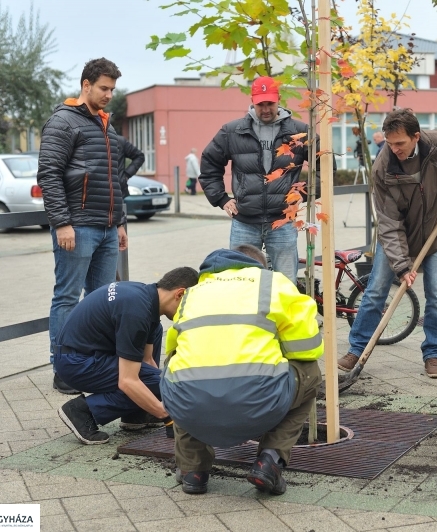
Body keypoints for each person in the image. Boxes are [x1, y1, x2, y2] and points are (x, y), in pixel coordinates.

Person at [161, 245, 323, 495]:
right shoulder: (272, 283)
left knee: (178, 371)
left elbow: (173, 349)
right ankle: (270, 460)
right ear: (259, 266)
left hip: (191, 405)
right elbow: (307, 349)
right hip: (258, 401)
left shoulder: (192, 293)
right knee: (310, 373)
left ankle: (192, 471)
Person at [337, 108, 437, 379]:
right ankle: (357, 349)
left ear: (416, 137)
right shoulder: (383, 168)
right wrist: (401, 266)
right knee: (375, 292)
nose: (394, 148)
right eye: (389, 143)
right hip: (396, 237)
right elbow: (389, 223)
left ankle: (433, 354)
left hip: (434, 232)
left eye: (400, 143)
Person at [37, 58, 128, 395]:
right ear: (86, 85)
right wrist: (62, 223)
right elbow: (49, 174)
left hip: (106, 229)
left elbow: (114, 179)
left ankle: (91, 364)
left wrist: (119, 222)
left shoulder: (107, 126)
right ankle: (63, 368)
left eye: (112, 90)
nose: (109, 95)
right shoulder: (64, 122)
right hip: (77, 227)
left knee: (103, 300)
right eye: (104, 88)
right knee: (67, 297)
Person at [199, 76, 334, 284]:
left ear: (278, 99)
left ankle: (282, 318)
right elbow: (209, 164)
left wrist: (302, 193)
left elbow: (325, 167)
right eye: (260, 104)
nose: (265, 109)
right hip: (244, 222)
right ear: (252, 101)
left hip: (282, 222)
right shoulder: (232, 131)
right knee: (239, 282)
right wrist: (221, 199)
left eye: (270, 103)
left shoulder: (299, 132)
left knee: (286, 283)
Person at [56, 267, 199, 444]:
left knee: (157, 364)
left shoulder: (146, 297)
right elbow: (128, 380)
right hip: (76, 363)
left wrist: (156, 393)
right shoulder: (136, 313)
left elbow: (147, 362)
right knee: (158, 382)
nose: (188, 313)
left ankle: (134, 414)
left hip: (86, 354)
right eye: (190, 306)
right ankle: (82, 410)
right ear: (179, 294)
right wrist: (167, 415)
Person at [116, 135, 145, 200]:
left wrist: (126, 175)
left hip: (118, 193)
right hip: (94, 195)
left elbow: (139, 156)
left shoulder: (119, 141)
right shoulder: (89, 141)